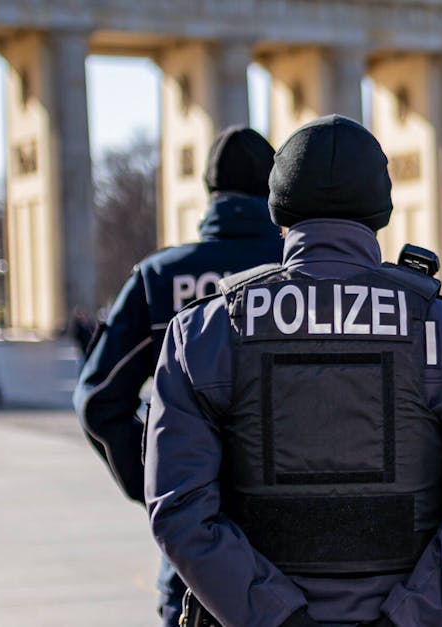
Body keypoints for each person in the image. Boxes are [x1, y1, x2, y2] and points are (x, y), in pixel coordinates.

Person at [146, 115, 442, 627]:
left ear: (278, 207)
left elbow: (179, 508)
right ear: (380, 210)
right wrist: (408, 619)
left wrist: (277, 618)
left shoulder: (205, 331)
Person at [74, 126, 285, 624]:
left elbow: (99, 398)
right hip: (304, 539)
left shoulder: (160, 276)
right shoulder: (301, 273)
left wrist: (152, 483)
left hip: (198, 550)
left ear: (211, 194)